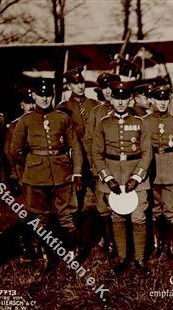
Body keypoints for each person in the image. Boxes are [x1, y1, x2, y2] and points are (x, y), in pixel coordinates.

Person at [10, 78, 84, 271]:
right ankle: (47, 256)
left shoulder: (62, 118)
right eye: (40, 95)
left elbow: (75, 147)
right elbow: (15, 150)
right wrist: (33, 164)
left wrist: (76, 173)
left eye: (48, 95)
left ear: (53, 96)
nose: (44, 98)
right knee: (39, 217)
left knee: (66, 215)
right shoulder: (25, 120)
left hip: (62, 173)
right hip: (35, 177)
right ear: (33, 96)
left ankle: (71, 252)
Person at [92, 81, 153, 274]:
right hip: (113, 175)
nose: (120, 102)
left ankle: (140, 259)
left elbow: (147, 153)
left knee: (139, 217)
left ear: (130, 99)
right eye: (117, 98)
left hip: (135, 175)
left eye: (124, 98)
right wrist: (107, 178)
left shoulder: (140, 122)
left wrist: (137, 177)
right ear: (111, 99)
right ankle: (122, 258)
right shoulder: (104, 123)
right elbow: (97, 154)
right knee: (116, 216)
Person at [143, 85, 173, 258]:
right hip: (152, 168)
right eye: (158, 99)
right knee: (154, 209)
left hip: (171, 168)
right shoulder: (145, 121)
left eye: (165, 100)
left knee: (172, 208)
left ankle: (171, 245)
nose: (162, 103)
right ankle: (157, 243)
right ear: (152, 101)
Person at [84, 72, 121, 257]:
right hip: (102, 165)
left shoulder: (126, 110)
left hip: (122, 165)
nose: (108, 92)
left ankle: (123, 241)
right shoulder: (96, 112)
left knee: (123, 203)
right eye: (104, 88)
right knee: (103, 205)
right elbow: (89, 139)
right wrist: (94, 165)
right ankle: (109, 241)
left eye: (111, 87)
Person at [57, 67, 99, 213]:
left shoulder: (94, 105)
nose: (80, 87)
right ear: (69, 86)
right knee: (75, 202)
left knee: (101, 200)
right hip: (75, 161)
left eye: (82, 83)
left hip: (94, 158)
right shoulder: (63, 108)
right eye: (76, 84)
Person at [3, 88, 37, 261]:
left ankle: (38, 243)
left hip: (42, 174)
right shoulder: (15, 125)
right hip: (23, 174)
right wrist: (14, 177)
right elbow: (9, 154)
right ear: (21, 105)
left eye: (33, 102)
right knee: (28, 210)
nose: (31, 106)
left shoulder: (42, 121)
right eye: (27, 103)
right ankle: (26, 243)